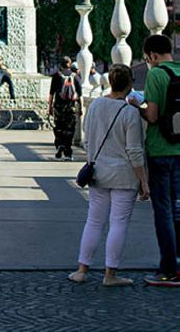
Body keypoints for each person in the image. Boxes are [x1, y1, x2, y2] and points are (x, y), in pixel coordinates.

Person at [68, 63, 149, 287]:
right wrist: (144, 181)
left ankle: (82, 269)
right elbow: (134, 151)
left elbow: (86, 140)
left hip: (98, 173)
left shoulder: (95, 106)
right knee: (118, 223)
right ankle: (110, 274)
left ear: (110, 82)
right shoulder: (130, 113)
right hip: (124, 176)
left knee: (94, 221)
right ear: (130, 84)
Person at [132, 33, 180, 287]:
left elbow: (151, 116)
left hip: (161, 151)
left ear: (152, 56)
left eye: (148, 59)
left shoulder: (156, 75)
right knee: (179, 209)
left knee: (163, 211)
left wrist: (135, 106)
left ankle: (169, 270)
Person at [48, 56, 82, 160]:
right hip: (71, 107)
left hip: (59, 106)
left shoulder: (57, 76)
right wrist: (80, 108)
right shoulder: (75, 77)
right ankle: (68, 152)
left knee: (59, 127)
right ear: (70, 64)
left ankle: (60, 145)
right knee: (70, 128)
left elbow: (51, 94)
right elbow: (80, 95)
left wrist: (50, 107)